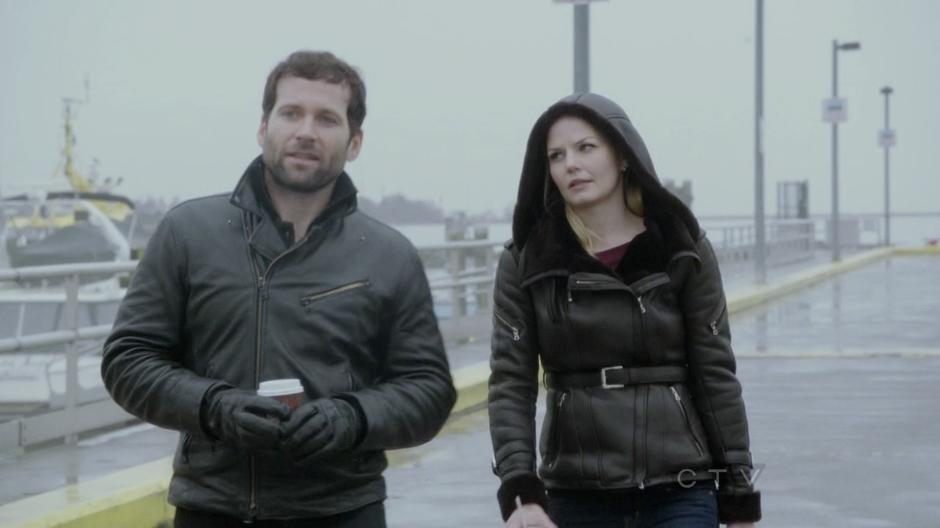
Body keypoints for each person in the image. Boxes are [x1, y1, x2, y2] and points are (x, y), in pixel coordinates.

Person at [101, 50, 456, 527]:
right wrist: (212, 406)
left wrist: (352, 418)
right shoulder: (188, 233)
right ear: (263, 126)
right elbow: (128, 359)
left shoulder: (389, 255)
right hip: (212, 508)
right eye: (291, 113)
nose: (306, 131)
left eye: (327, 118)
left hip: (342, 510)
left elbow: (429, 390)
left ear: (354, 142)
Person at [488, 93, 761, 528]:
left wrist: (739, 495)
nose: (570, 164)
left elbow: (716, 375)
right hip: (577, 491)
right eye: (556, 156)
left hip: (681, 487)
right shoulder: (527, 259)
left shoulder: (682, 247)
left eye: (586, 148)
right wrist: (522, 493)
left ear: (623, 154)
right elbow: (510, 384)